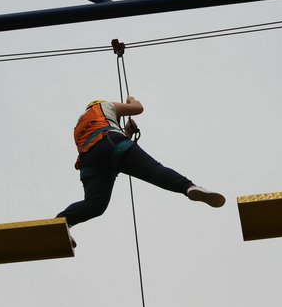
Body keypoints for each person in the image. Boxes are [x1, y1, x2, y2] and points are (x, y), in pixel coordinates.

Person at [56, 96, 225, 245]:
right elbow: (138, 109)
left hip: (91, 162)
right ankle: (188, 187)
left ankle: (63, 221)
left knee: (95, 204)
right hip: (110, 141)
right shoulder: (103, 106)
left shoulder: (77, 128)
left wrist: (127, 132)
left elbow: (104, 149)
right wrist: (131, 99)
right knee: (153, 170)